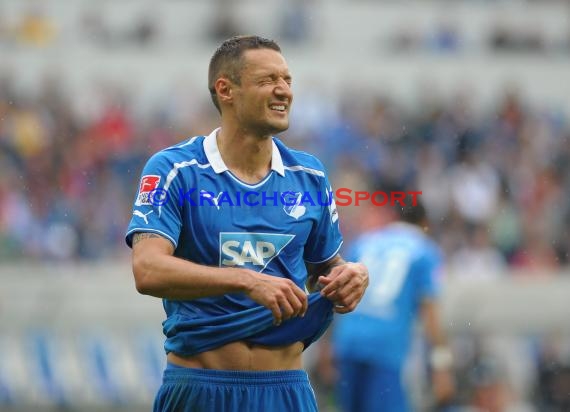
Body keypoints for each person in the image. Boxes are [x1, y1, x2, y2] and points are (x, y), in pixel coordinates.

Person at [125, 35, 368, 411]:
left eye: (287, 80)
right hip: (201, 389)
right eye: (268, 80)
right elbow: (147, 269)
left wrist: (351, 276)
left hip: (286, 391)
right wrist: (247, 280)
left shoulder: (310, 176)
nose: (283, 91)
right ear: (226, 90)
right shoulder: (175, 169)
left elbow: (326, 269)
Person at [329, 193, 455, 412]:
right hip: (386, 348)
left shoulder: (365, 241)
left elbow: (335, 289)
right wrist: (441, 365)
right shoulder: (425, 251)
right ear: (425, 223)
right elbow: (430, 311)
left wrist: (327, 344)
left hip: (348, 341)